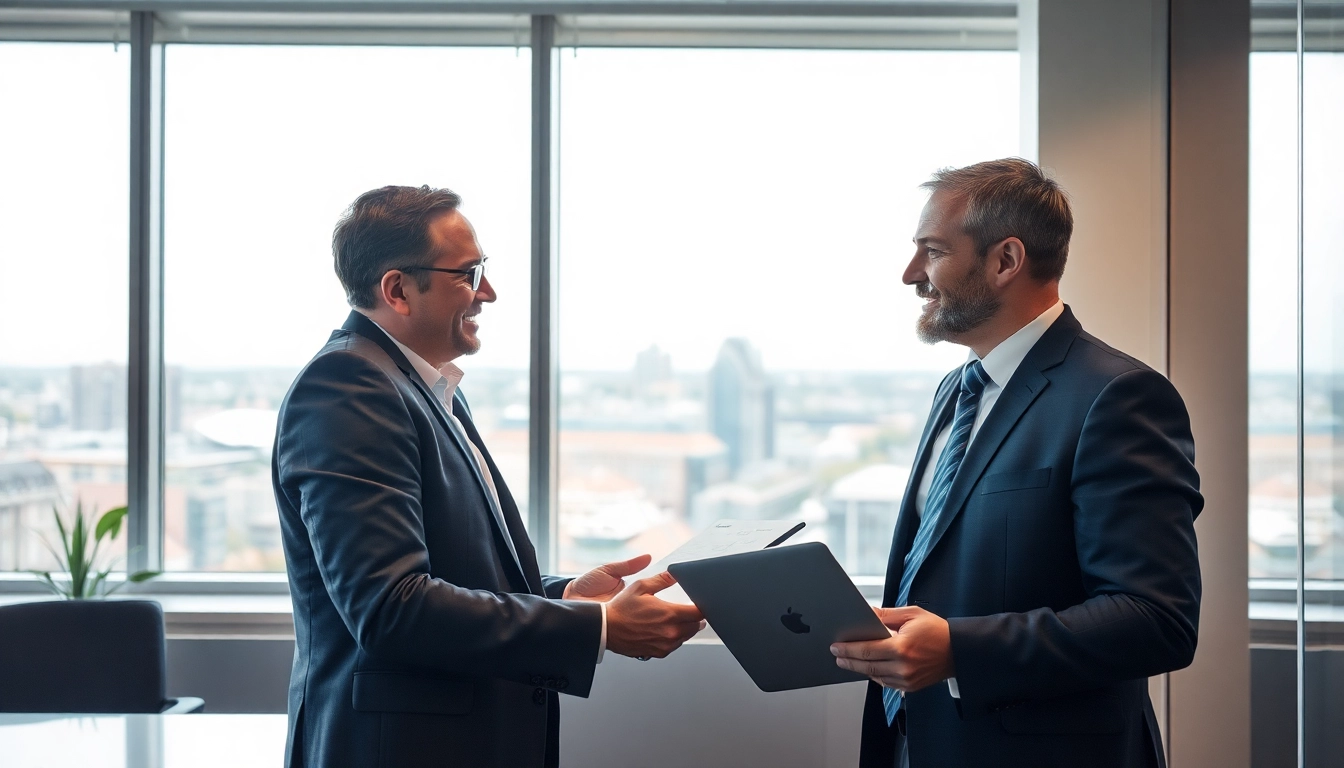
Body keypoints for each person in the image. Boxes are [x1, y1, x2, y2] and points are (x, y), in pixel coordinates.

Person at [273, 185, 704, 768]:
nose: (489, 292)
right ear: (397, 290)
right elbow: (391, 608)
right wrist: (598, 626)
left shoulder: (424, 387)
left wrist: (563, 597)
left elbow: (456, 573)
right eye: (468, 274)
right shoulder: (349, 388)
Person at [830, 159, 1202, 768]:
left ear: (1006, 260)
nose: (911, 274)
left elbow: (1157, 618)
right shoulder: (956, 389)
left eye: (933, 251)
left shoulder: (1118, 397)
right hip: (919, 741)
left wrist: (960, 650)